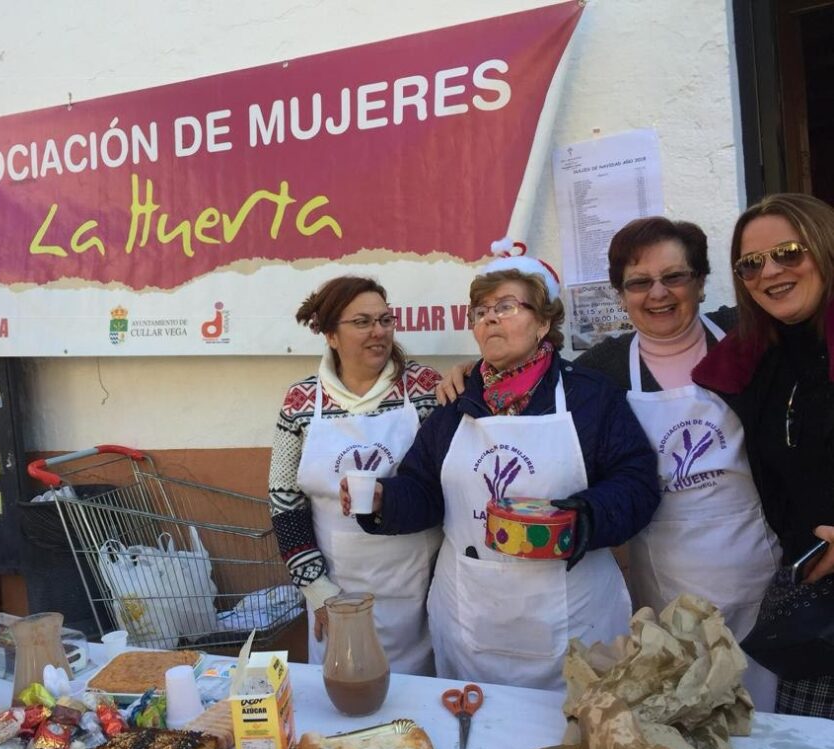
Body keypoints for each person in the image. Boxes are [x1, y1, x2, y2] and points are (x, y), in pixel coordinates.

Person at [342, 257, 659, 690]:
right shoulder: (456, 402)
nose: (490, 317)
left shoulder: (590, 397)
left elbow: (637, 482)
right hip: (472, 620)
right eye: (481, 310)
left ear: (544, 322)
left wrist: (580, 520)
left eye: (506, 306)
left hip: (573, 618)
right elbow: (424, 489)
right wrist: (384, 500)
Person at [571, 217, 782, 711]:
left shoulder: (745, 335)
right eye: (639, 282)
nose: (658, 294)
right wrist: (471, 376)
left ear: (702, 281)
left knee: (760, 716)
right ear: (622, 295)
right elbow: (540, 385)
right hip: (665, 588)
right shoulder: (602, 368)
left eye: (675, 277)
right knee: (687, 713)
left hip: (759, 577)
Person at [693, 193, 834, 719]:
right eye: (751, 264)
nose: (770, 271)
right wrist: (479, 375)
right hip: (810, 598)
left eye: (790, 252)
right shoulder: (758, 358)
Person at [268, 276, 443, 674]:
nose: (378, 332)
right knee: (348, 698)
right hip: (337, 591)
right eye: (362, 322)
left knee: (416, 704)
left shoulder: (426, 389)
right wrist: (316, 589)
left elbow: (443, 484)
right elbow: (284, 500)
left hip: (417, 587)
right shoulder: (300, 402)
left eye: (385, 319)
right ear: (330, 334)